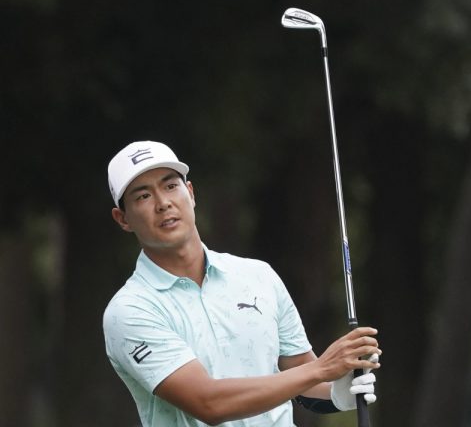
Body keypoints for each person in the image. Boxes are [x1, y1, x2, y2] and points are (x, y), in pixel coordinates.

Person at [103, 141, 381, 426]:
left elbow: (302, 380)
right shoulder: (130, 311)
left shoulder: (259, 276)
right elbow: (208, 403)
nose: (163, 203)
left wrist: (337, 394)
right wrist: (322, 369)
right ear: (123, 219)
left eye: (171, 186)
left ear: (190, 193)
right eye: (144, 196)